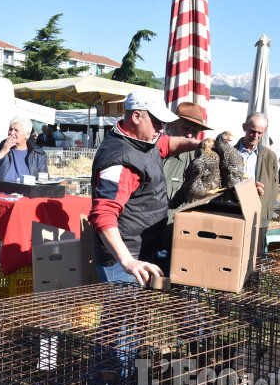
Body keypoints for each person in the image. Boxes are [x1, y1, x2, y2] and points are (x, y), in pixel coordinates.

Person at [88, 90, 200, 287]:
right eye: (157, 122)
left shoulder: (144, 141)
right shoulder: (119, 160)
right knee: (123, 317)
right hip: (123, 260)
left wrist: (204, 145)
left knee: (138, 316)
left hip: (143, 250)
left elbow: (169, 144)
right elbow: (103, 214)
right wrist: (127, 261)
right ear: (137, 116)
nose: (161, 129)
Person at [163, 102, 214, 229]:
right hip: (140, 238)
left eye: (194, 131)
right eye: (185, 128)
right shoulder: (150, 151)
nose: (190, 135)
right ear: (171, 125)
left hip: (172, 237)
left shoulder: (198, 162)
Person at [235, 112, 279, 257]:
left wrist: (266, 214)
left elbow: (273, 189)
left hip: (258, 218)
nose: (255, 136)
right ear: (244, 127)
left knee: (255, 259)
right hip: (233, 212)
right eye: (252, 131)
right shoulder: (229, 153)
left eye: (260, 133)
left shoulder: (270, 157)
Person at [0, 116, 48, 192]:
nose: (12, 133)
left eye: (16, 130)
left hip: (25, 200)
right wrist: (2, 153)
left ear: (27, 134)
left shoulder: (38, 155)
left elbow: (44, 183)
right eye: (10, 129)